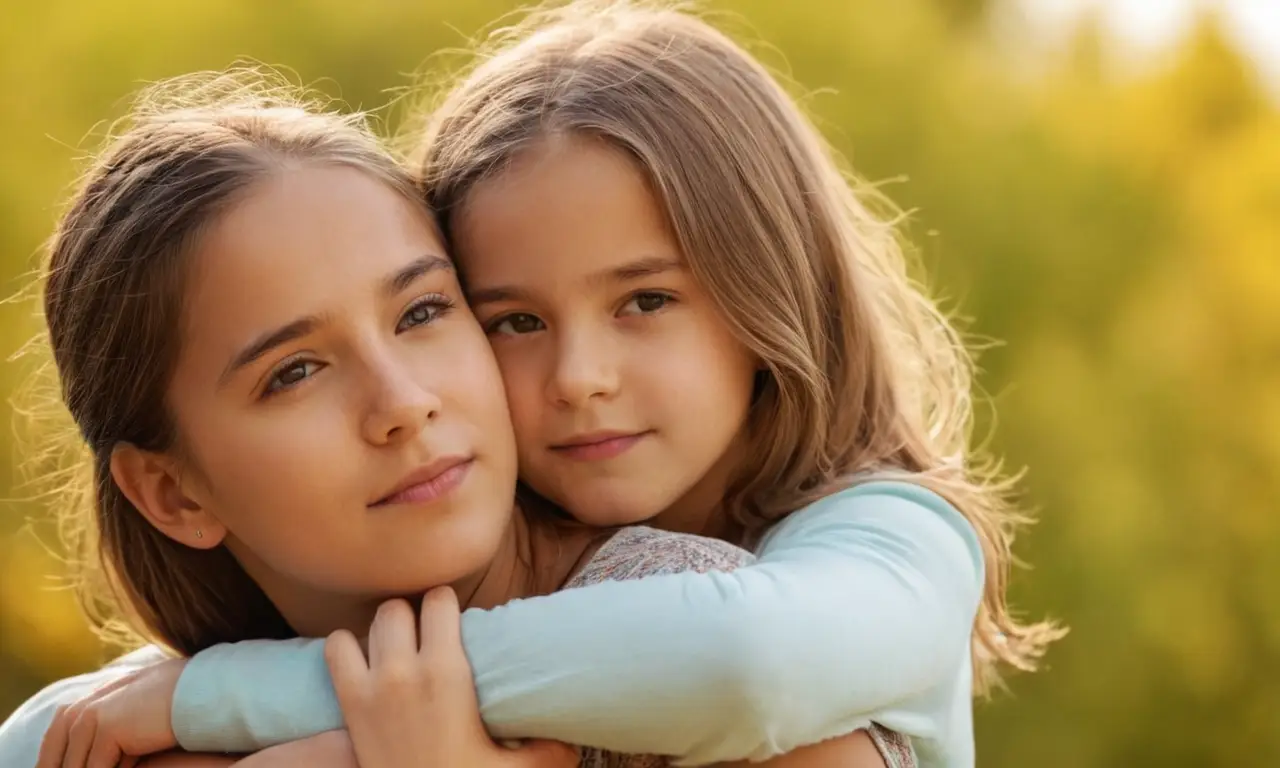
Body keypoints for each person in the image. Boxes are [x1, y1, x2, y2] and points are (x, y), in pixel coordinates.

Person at [0, 70, 908, 768]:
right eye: (297, 371)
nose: (403, 403)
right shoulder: (115, 737)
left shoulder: (695, 635)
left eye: (424, 313)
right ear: (171, 491)